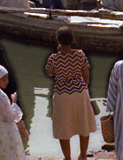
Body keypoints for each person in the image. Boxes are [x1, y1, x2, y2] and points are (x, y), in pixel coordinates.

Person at [44, 27, 97, 160]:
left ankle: (67, 158)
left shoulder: (54, 58)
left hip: (62, 94)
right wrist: (82, 87)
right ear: (72, 40)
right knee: (83, 124)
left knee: (63, 128)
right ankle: (83, 155)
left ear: (58, 40)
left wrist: (57, 53)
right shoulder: (80, 54)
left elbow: (49, 72)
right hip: (80, 91)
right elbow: (86, 75)